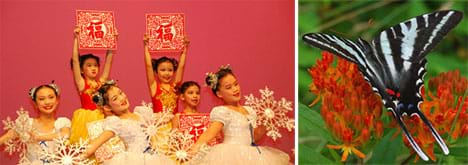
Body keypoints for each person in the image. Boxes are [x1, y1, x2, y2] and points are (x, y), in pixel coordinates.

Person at [191, 65, 290, 165]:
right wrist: (195, 148)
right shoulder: (222, 111)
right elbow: (210, 133)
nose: (235, 89)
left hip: (252, 155)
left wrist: (266, 122)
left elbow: (254, 137)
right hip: (230, 155)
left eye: (236, 84)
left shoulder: (250, 110)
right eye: (229, 87)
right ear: (219, 94)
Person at [81, 82, 175, 165]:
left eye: (121, 93)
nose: (122, 98)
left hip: (153, 157)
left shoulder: (141, 113)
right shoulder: (116, 123)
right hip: (135, 160)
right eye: (115, 98)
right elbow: (95, 145)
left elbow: (166, 117)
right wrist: (76, 158)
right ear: (107, 107)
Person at [0, 83, 71, 164]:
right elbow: (6, 137)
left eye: (51, 97)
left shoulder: (62, 123)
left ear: (57, 100)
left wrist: (39, 137)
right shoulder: (27, 123)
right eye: (41, 99)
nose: (47, 102)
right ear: (35, 103)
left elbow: (65, 135)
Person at [69, 27, 116, 144]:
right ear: (81, 69)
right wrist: (76, 39)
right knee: (89, 145)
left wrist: (113, 39)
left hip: (103, 117)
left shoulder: (101, 82)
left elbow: (108, 62)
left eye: (95, 65)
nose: (93, 68)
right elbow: (75, 60)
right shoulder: (81, 83)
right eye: (89, 65)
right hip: (87, 120)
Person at [143, 34, 189, 114]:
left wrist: (184, 48)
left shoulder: (175, 87)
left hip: (174, 125)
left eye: (170, 70)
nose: (167, 73)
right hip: (159, 125)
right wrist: (146, 46)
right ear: (156, 72)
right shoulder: (154, 86)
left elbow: (181, 67)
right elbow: (148, 66)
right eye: (163, 70)